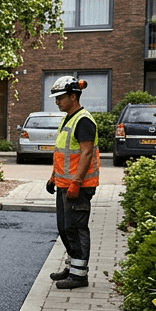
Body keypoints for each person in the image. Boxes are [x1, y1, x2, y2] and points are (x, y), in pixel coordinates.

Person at [45, 76, 99, 290]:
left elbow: (86, 153)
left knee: (76, 228)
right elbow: (64, 153)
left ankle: (79, 275)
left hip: (79, 187)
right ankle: (72, 266)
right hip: (64, 185)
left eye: (60, 97)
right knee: (65, 228)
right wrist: (53, 177)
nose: (57, 101)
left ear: (73, 96)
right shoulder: (69, 118)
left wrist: (76, 182)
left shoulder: (83, 120)